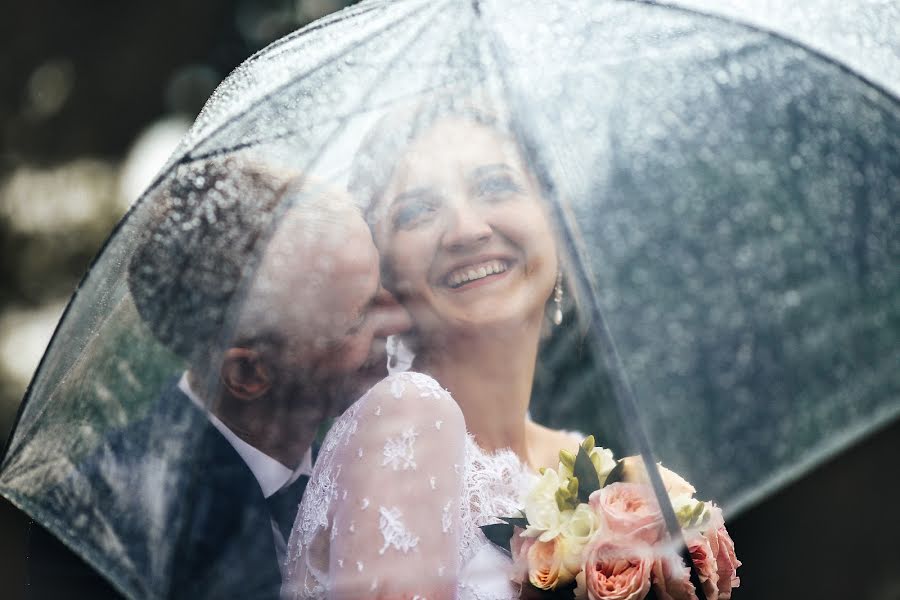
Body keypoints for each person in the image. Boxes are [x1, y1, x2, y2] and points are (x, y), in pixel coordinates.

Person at [24, 159, 411, 600]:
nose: (400, 317)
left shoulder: (379, 465)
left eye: (382, 284)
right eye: (360, 316)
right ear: (248, 373)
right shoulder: (103, 528)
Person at [283, 105, 584, 599]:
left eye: (495, 186)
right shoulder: (405, 421)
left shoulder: (579, 463)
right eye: (418, 211)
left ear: (554, 218)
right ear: (385, 271)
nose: (467, 230)